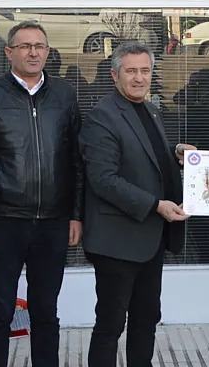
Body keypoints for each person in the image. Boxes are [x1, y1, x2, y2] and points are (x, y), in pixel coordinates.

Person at [0, 20, 84, 367]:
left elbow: (76, 161)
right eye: (25, 46)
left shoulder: (65, 95)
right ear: (9, 52)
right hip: (2, 221)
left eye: (40, 46)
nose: (33, 53)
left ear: (47, 52)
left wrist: (76, 214)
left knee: (46, 311)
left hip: (53, 222)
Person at [79, 41, 193, 367]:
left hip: (149, 239)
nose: (139, 78)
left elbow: (145, 155)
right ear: (115, 75)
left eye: (145, 70)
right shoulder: (102, 117)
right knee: (111, 323)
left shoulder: (150, 110)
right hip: (117, 241)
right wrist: (156, 205)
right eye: (131, 71)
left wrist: (176, 152)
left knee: (146, 318)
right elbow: (103, 179)